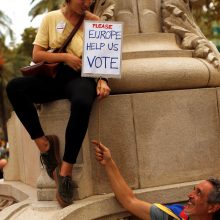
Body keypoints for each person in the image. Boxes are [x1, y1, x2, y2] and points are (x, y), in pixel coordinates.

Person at [6, 0, 110, 208]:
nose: (87, 3)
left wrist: (103, 80)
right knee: (14, 87)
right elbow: (37, 54)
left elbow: (105, 57)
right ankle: (44, 146)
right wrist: (65, 57)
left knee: (82, 102)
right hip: (53, 77)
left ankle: (65, 172)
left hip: (82, 77)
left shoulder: (96, 22)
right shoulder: (51, 18)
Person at [92, 140, 220, 220]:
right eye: (193, 190)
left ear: (212, 207)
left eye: (199, 193)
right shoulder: (173, 216)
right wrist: (108, 162)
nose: (190, 195)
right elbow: (129, 201)